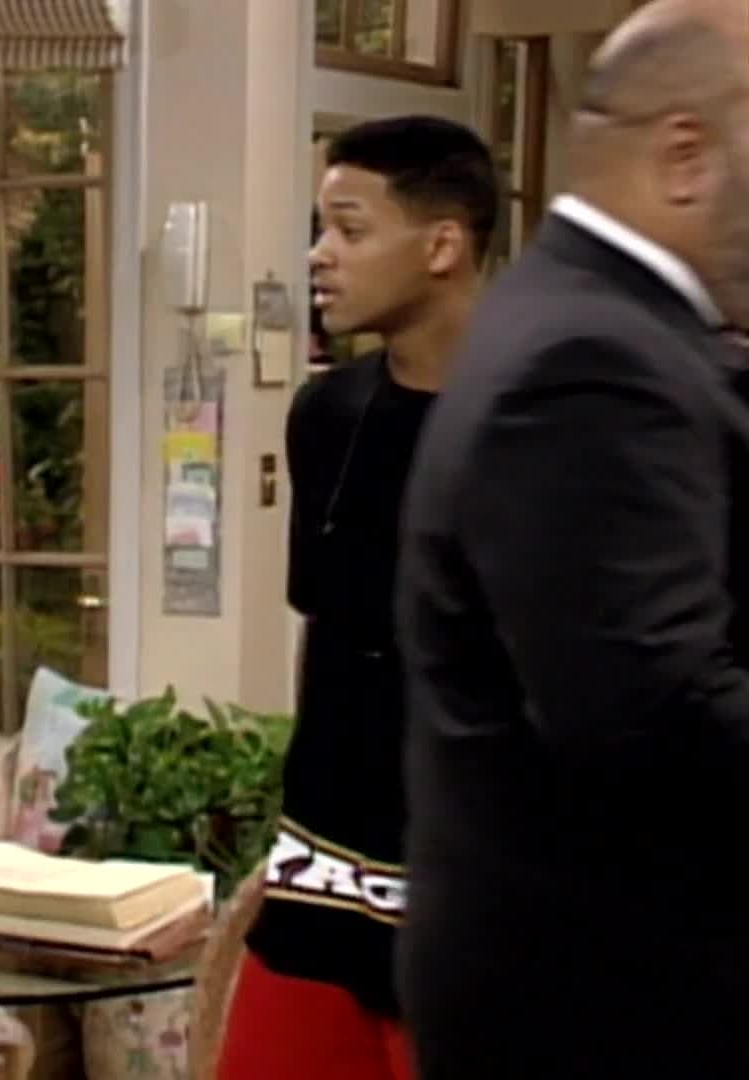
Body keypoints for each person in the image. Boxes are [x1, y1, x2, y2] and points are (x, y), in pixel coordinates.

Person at [396, 2, 749, 1077]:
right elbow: (658, 720)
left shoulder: (600, 323)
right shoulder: (591, 361)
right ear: (686, 157)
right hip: (611, 1014)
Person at [216, 116, 497, 1080]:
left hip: (478, 898)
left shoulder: (548, 423)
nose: (318, 254)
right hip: (321, 877)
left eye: (349, 228)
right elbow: (327, 635)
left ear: (443, 244)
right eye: (319, 228)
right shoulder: (326, 414)